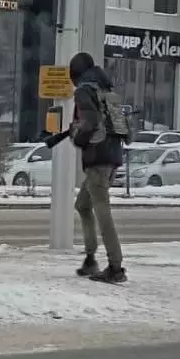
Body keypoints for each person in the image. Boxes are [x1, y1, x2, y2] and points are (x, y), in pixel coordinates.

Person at [68, 51, 127, 283]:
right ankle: (91, 259)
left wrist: (78, 137)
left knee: (102, 212)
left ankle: (115, 267)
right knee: (83, 205)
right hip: (112, 156)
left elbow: (90, 123)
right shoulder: (104, 89)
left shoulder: (84, 90)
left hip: (98, 159)